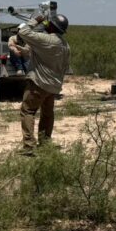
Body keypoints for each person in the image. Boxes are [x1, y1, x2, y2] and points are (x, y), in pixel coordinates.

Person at [16, 11, 70, 153]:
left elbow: (23, 32)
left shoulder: (46, 39)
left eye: (48, 23)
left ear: (52, 27)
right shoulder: (65, 45)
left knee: (28, 111)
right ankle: (45, 143)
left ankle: (29, 146)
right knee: (47, 114)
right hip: (53, 86)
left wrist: (36, 20)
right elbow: (65, 66)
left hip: (38, 84)